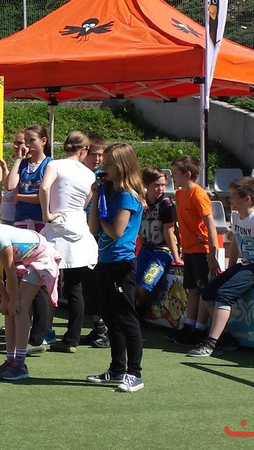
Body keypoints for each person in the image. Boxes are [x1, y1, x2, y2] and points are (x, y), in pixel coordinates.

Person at [0, 201, 60, 380]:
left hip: (40, 259)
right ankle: (11, 360)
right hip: (22, 261)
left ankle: (20, 364)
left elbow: (9, 271)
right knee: (9, 310)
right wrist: (5, 298)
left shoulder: (0, 237)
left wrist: (11, 299)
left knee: (19, 307)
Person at [86, 143, 146, 393]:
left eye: (109, 164)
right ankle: (117, 368)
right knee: (111, 317)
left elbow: (116, 231)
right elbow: (93, 228)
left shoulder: (127, 195)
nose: (103, 167)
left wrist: (102, 215)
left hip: (122, 265)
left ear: (121, 166)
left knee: (126, 318)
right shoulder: (108, 192)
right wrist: (97, 197)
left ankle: (135, 373)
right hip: (105, 262)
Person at [189, 177, 254, 357]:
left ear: (247, 198)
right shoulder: (235, 215)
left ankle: (211, 342)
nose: (229, 199)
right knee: (208, 291)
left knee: (224, 294)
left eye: (233, 196)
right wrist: (231, 269)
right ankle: (225, 336)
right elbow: (234, 243)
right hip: (245, 265)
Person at [39, 131, 98, 353]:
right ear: (84, 150)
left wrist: (46, 213)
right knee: (74, 288)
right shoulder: (89, 174)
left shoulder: (55, 164)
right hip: (77, 228)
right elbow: (85, 202)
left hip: (56, 228)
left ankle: (40, 332)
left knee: (43, 282)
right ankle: (71, 338)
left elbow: (44, 188)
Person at [4, 124, 53, 353]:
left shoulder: (49, 164)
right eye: (26, 141)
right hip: (21, 223)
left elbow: (44, 196)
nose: (28, 145)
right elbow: (10, 186)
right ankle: (24, 329)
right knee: (20, 274)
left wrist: (22, 197)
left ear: (43, 140)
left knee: (37, 276)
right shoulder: (23, 163)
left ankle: (39, 336)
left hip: (39, 224)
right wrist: (18, 159)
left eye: (32, 140)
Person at [170, 155, 219, 346]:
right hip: (189, 249)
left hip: (201, 249)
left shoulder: (198, 195)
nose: (173, 177)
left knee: (202, 289)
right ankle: (189, 325)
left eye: (175, 173)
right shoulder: (179, 194)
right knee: (191, 288)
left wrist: (212, 255)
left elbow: (210, 225)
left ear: (187, 174)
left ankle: (200, 328)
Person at [135, 168, 181, 316]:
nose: (160, 189)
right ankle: (135, 311)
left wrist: (176, 257)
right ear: (146, 185)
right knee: (134, 284)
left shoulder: (166, 204)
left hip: (163, 251)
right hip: (146, 249)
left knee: (146, 284)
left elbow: (169, 232)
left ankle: (138, 310)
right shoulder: (141, 202)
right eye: (156, 185)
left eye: (163, 185)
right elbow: (139, 229)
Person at [80, 132, 109, 347]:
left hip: (100, 236)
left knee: (100, 284)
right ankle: (98, 326)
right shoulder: (78, 173)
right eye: (93, 154)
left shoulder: (105, 177)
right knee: (88, 284)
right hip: (82, 234)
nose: (97, 158)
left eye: (101, 154)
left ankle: (105, 330)